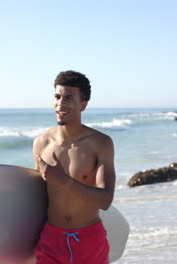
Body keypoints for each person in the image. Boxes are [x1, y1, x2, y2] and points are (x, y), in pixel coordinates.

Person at [33, 70, 116, 264]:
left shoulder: (100, 143)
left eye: (69, 98)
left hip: (88, 241)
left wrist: (63, 181)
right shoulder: (41, 143)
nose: (60, 103)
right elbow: (37, 198)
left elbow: (105, 200)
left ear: (83, 105)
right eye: (57, 96)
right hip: (50, 241)